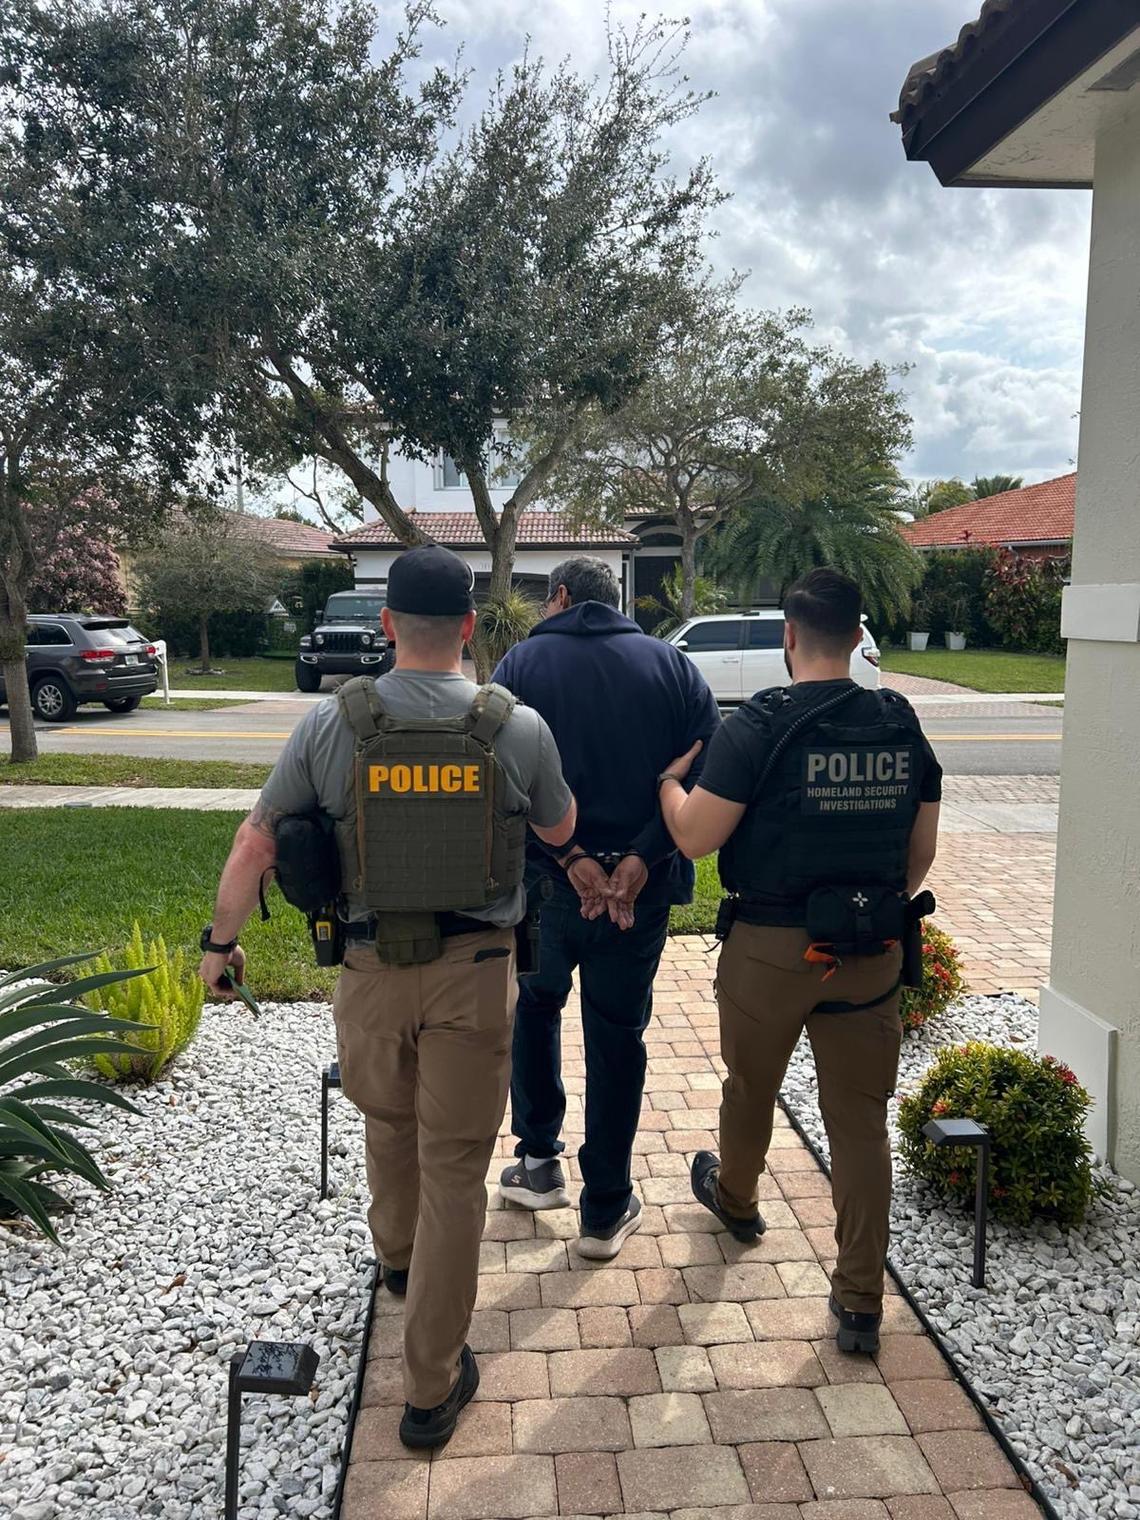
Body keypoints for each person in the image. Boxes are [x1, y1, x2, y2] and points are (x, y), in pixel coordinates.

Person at [197, 545, 575, 1449]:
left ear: (388, 626)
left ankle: (400, 1265)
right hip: (476, 975)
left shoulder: (334, 724)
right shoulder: (514, 725)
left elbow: (257, 843)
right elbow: (561, 827)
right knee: (456, 1168)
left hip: (367, 973)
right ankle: (430, 1385)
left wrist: (220, 946)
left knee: (386, 1123)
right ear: (472, 628)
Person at [657, 568, 942, 1354]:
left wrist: (669, 785)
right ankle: (858, 1304)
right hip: (871, 949)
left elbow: (695, 838)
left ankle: (739, 1201)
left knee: (752, 1089)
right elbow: (918, 853)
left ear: (789, 636)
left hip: (770, 951)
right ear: (857, 637)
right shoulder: (899, 719)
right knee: (860, 1126)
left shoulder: (758, 724)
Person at [491, 556, 721, 1258]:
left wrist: (571, 859)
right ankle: (606, 1207)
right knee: (618, 1033)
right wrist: (639, 860)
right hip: (638, 894)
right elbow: (708, 764)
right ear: (616, 600)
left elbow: (495, 774)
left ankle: (536, 1164)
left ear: (558, 597)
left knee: (534, 1009)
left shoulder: (519, 667)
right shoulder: (674, 667)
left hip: (541, 885)